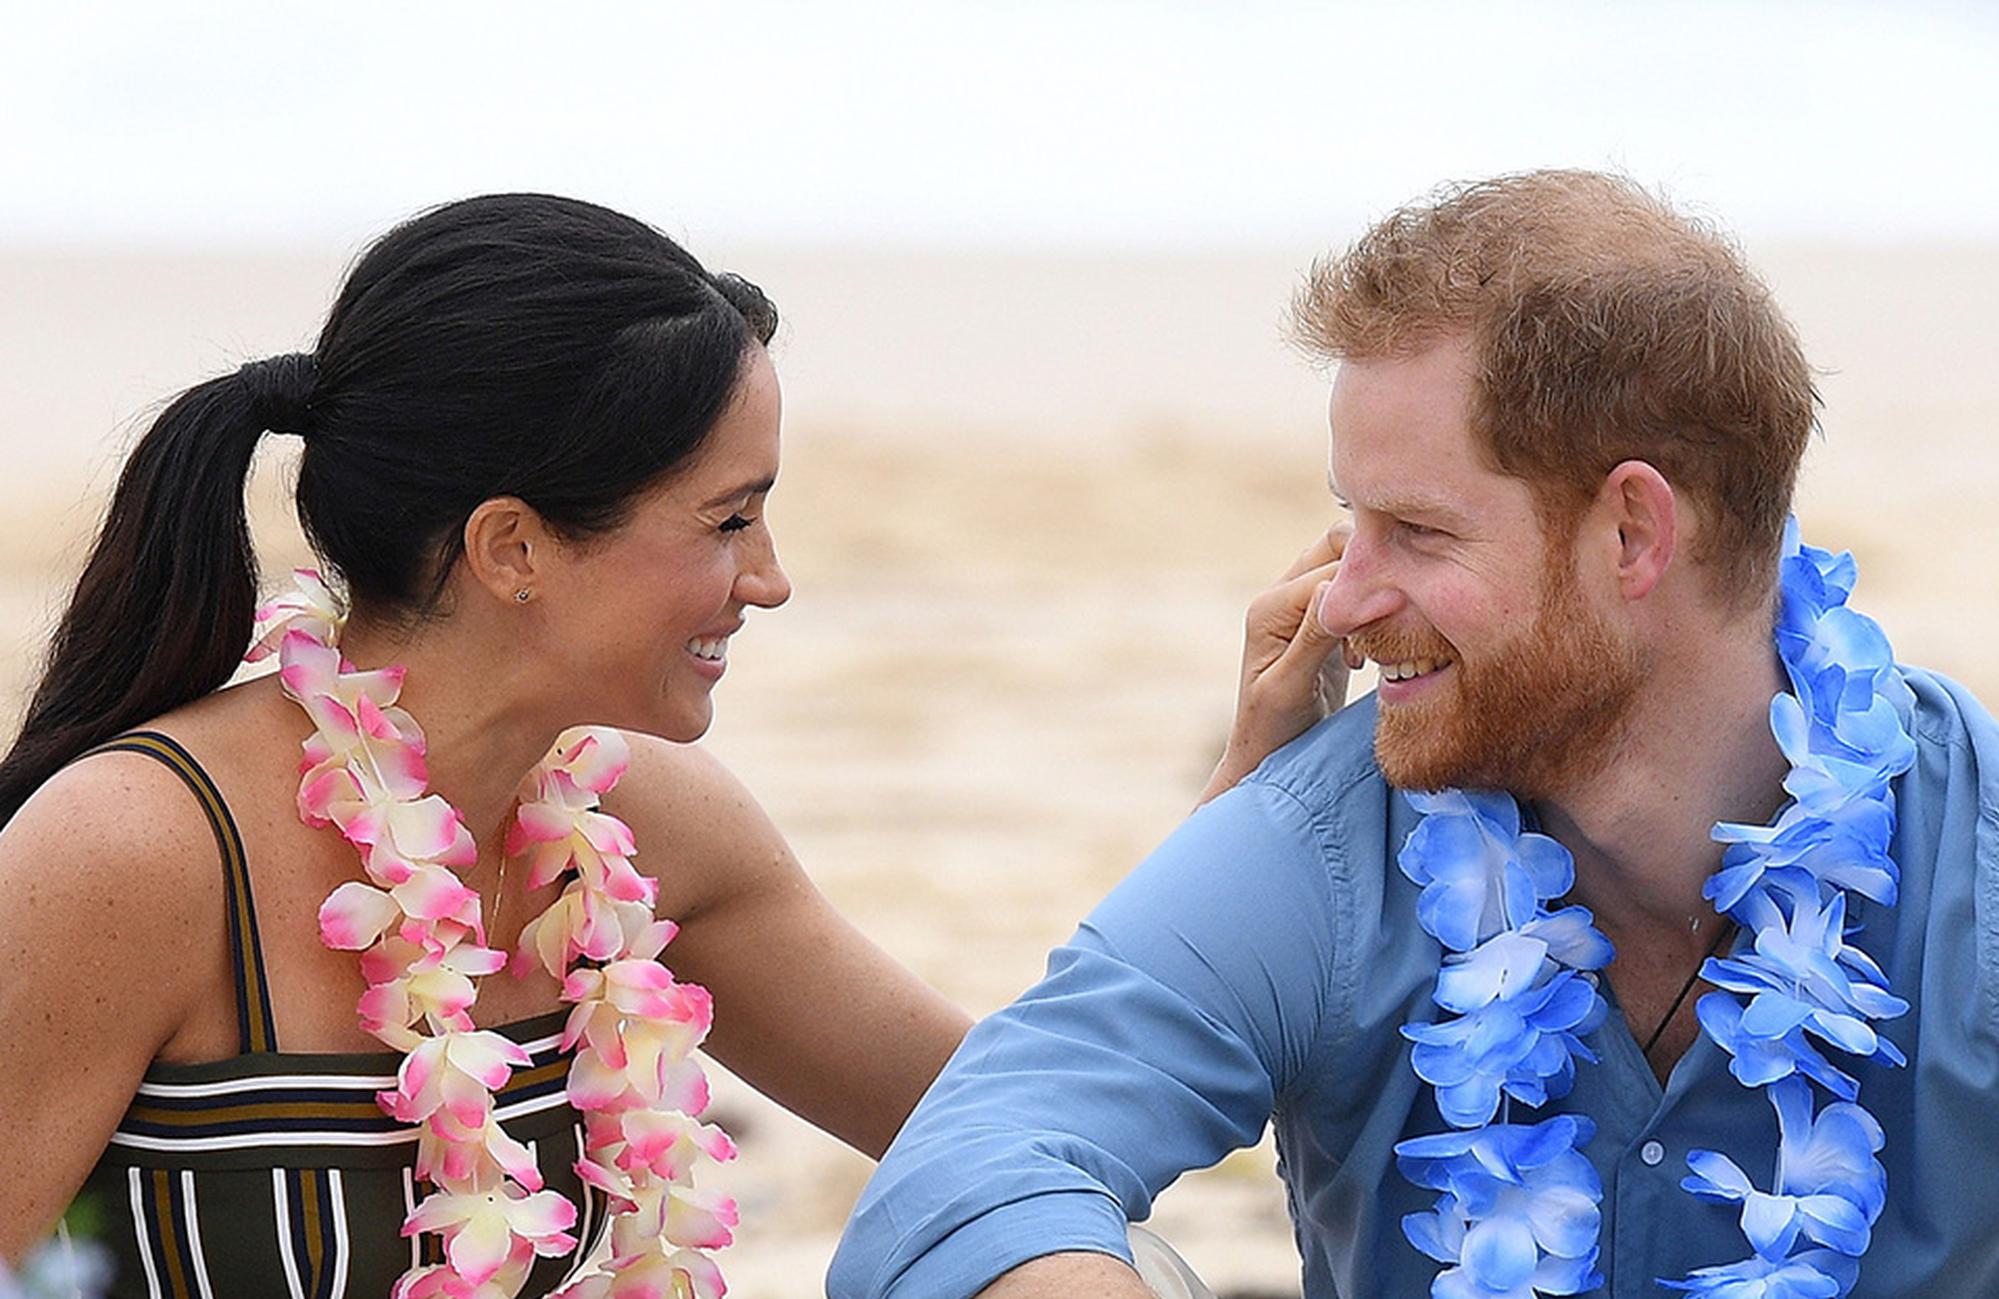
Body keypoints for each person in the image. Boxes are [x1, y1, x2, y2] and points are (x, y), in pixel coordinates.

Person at [829, 170, 1999, 1297]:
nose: (1339, 602)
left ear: (1633, 532)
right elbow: (970, 1166)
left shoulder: (1973, 860)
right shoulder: (1334, 837)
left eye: (1418, 533)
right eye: (1352, 522)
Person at [0, 194, 984, 1297]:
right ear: (512, 547)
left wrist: (1220, 830)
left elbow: (1000, 1116)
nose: (768, 578)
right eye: (726, 520)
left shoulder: (650, 822)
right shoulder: (137, 848)